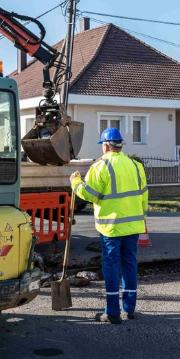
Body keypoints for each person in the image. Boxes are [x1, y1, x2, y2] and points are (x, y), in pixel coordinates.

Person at [70, 128, 148, 324]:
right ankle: (129, 309)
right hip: (133, 226)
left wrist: (75, 182)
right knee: (129, 264)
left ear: (105, 145)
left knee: (111, 267)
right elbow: (144, 196)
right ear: (120, 146)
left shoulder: (101, 166)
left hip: (111, 228)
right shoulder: (136, 166)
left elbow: (89, 194)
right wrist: (140, 218)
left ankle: (112, 312)